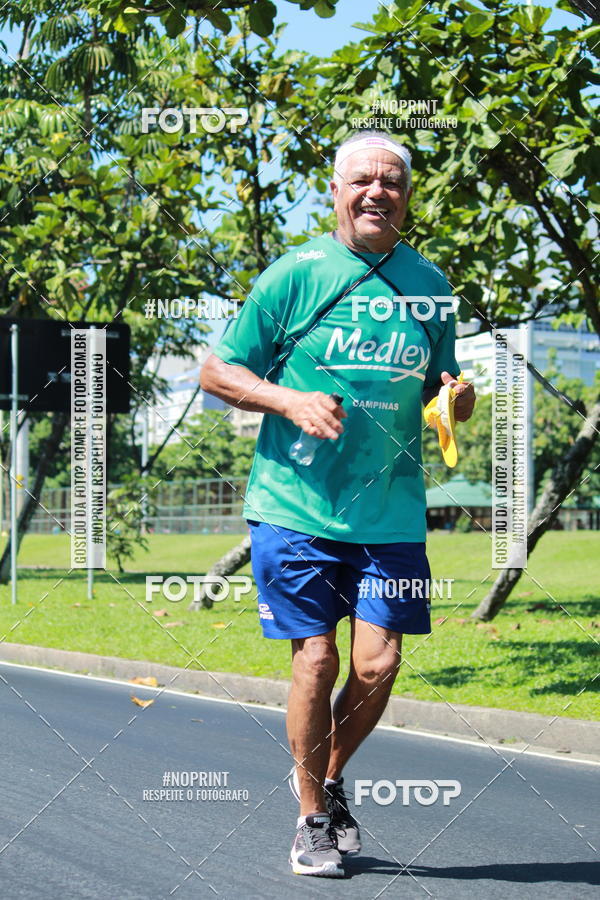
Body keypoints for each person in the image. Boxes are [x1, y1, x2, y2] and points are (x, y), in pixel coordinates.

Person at [201, 130, 476, 878]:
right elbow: (217, 372)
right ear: (335, 190)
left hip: (390, 512)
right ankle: (312, 819)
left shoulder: (429, 284)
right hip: (295, 507)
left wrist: (457, 400)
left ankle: (324, 778)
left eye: (392, 181)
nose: (376, 191)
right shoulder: (296, 275)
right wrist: (287, 399)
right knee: (317, 659)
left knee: (379, 664)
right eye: (362, 179)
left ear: (407, 196)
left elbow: (440, 390)